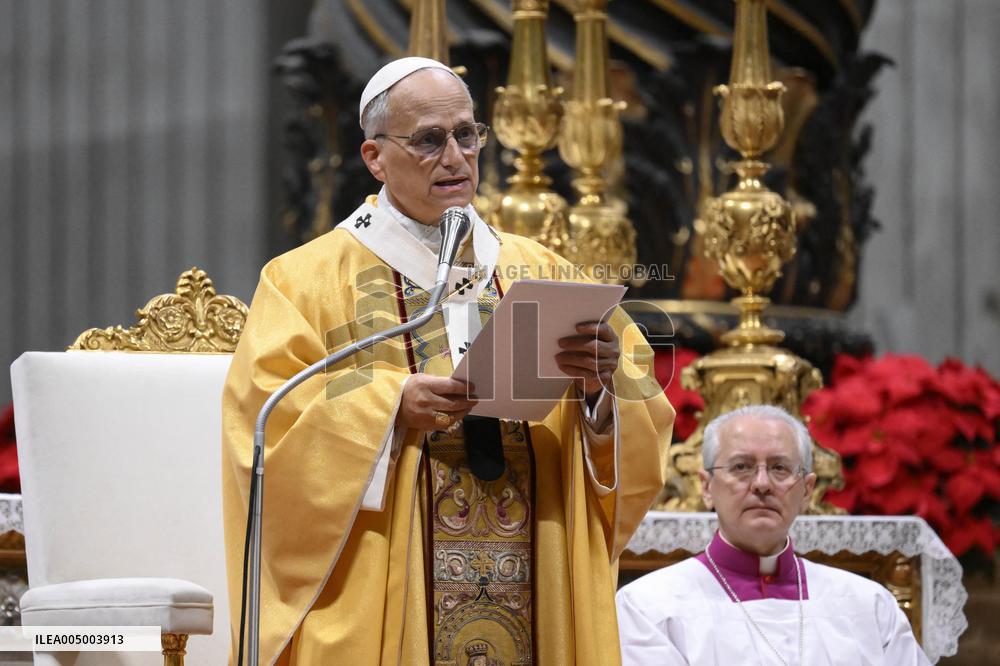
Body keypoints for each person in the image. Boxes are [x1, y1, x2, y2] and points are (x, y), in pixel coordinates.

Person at [222, 56, 675, 665]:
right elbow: (265, 422)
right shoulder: (306, 281)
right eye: (429, 140)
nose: (456, 157)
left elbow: (642, 414)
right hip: (387, 584)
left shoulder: (539, 269)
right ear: (374, 157)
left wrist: (601, 389)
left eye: (467, 134)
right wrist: (389, 407)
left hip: (536, 564)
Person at [616, 404, 931, 665]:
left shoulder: (870, 606)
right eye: (741, 467)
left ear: (806, 490)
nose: (762, 484)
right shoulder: (648, 607)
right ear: (707, 487)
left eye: (780, 468)